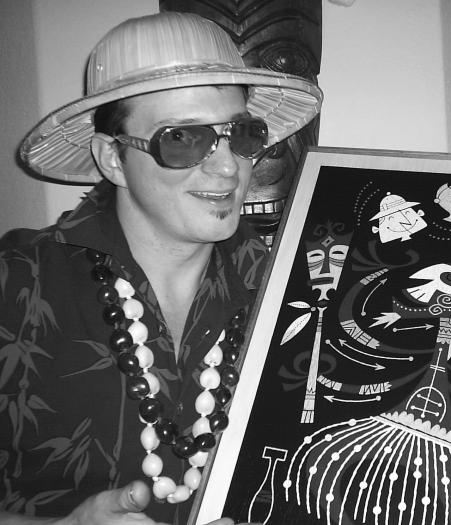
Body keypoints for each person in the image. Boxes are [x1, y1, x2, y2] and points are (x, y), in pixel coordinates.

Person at [0, 11, 322, 525]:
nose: (228, 167)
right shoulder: (17, 283)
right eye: (182, 138)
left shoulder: (295, 292)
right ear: (112, 158)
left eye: (242, 134)